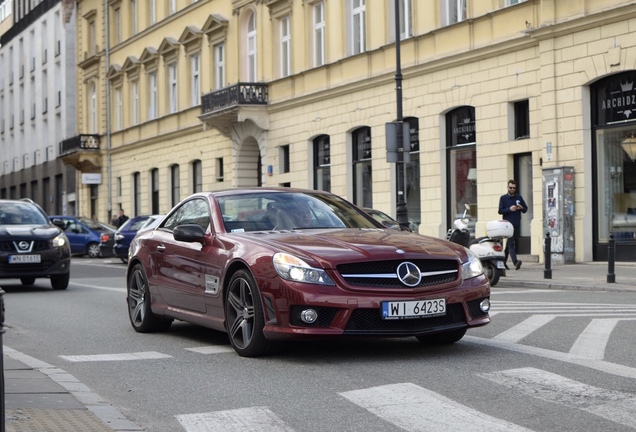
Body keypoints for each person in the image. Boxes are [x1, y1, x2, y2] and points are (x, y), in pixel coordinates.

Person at [498, 179, 527, 270]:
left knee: (508, 245)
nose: (512, 189)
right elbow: (500, 211)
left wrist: (521, 208)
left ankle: (503, 262)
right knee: (511, 243)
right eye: (510, 188)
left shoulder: (518, 197)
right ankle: (515, 262)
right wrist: (509, 209)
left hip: (516, 224)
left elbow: (525, 209)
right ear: (507, 187)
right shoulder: (503, 198)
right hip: (507, 225)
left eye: (514, 188)